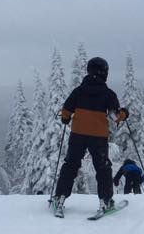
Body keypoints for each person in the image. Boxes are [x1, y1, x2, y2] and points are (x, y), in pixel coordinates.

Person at [50, 57, 128, 218]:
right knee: (102, 168)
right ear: (104, 73)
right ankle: (105, 201)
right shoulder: (108, 94)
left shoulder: (78, 91)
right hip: (98, 137)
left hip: (78, 134)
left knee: (70, 165)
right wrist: (124, 114)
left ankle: (60, 197)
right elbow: (115, 117)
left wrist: (65, 119)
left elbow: (66, 111)